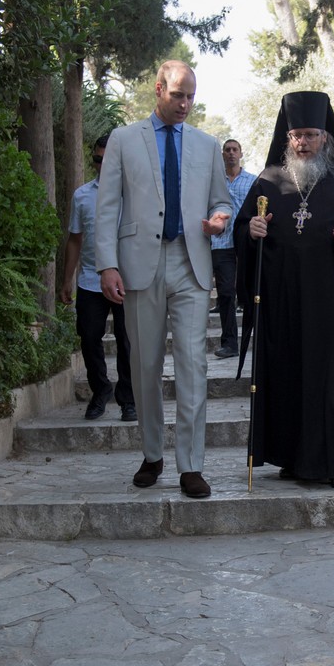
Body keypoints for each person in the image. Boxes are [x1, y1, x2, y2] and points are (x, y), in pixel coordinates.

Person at [235, 91, 334, 489]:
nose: (303, 142)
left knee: (332, 379)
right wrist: (250, 231)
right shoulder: (268, 181)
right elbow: (242, 231)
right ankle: (291, 456)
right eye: (296, 135)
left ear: (325, 138)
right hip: (283, 303)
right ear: (287, 138)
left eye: (311, 135)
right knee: (288, 377)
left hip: (333, 303)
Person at [95, 60, 232, 499]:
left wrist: (219, 219)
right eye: (177, 95)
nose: (186, 103)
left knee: (194, 364)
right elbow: (107, 207)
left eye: (191, 95)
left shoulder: (207, 145)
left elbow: (220, 201)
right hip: (139, 264)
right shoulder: (122, 139)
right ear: (158, 89)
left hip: (191, 262)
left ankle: (191, 466)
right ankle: (152, 454)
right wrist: (107, 264)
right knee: (145, 365)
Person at [60, 134, 135, 422]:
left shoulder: (133, 194)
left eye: (108, 159)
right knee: (89, 337)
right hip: (91, 279)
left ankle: (128, 399)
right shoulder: (82, 195)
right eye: (97, 159)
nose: (102, 165)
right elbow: (74, 239)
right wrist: (67, 279)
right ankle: (100, 390)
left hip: (128, 280)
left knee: (127, 340)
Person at [210, 139, 255, 359]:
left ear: (241, 153)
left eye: (234, 150)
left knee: (250, 292)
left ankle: (258, 337)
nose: (230, 153)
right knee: (226, 293)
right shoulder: (214, 182)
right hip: (221, 244)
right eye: (227, 150)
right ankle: (229, 343)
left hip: (247, 243)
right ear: (222, 154)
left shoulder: (253, 182)